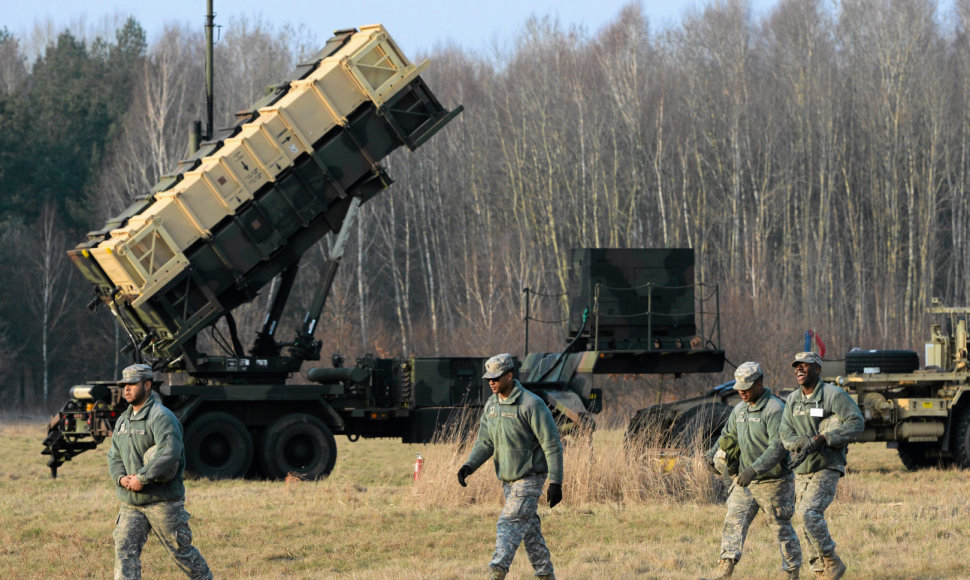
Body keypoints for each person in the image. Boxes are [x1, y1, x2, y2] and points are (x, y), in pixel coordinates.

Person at [457, 353, 564, 580]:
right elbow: (485, 441)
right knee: (531, 533)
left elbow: (552, 445)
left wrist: (556, 482)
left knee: (508, 525)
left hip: (530, 479)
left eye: (496, 378)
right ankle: (546, 575)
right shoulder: (492, 405)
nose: (491, 382)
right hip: (507, 481)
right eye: (488, 379)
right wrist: (469, 466)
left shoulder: (531, 404)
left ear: (509, 376)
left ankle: (495, 573)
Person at [107, 363, 212, 580]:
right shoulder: (123, 421)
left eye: (132, 384)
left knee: (181, 552)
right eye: (124, 384)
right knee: (125, 551)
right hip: (132, 502)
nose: (126, 388)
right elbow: (114, 455)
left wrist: (142, 478)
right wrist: (120, 478)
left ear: (147, 385)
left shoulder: (161, 417)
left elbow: (169, 452)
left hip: (163, 502)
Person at [705, 362, 802, 579]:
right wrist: (711, 455)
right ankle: (724, 569)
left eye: (747, 387)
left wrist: (755, 470)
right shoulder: (739, 409)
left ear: (759, 384)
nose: (742, 391)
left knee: (781, 528)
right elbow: (726, 435)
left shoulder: (775, 409)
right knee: (733, 520)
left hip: (774, 481)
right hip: (745, 481)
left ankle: (792, 572)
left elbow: (778, 447)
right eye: (739, 387)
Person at [780, 352, 864, 580]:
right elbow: (785, 434)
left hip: (828, 464)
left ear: (818, 369)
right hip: (802, 467)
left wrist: (825, 437)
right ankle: (820, 571)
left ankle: (831, 561)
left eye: (805, 366)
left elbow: (857, 422)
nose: (800, 369)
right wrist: (803, 443)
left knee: (809, 512)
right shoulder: (792, 400)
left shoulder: (833, 395)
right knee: (803, 519)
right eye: (797, 366)